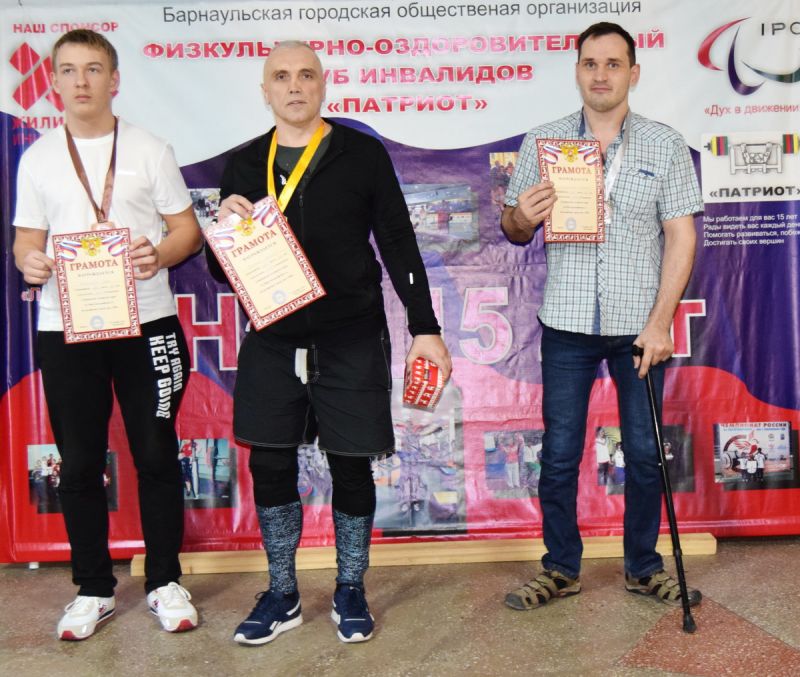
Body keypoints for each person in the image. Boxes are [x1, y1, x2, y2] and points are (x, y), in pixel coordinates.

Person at [210, 41, 451, 645]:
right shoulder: (244, 164)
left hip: (350, 334)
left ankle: (349, 586)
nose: (294, 86)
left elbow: (397, 241)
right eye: (281, 77)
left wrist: (425, 327)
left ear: (323, 85)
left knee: (350, 463)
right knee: (269, 462)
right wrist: (225, 230)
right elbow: (222, 271)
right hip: (272, 337)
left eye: (306, 75)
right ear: (265, 91)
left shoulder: (360, 153)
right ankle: (283, 592)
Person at [501, 22, 703, 611]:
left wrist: (661, 322)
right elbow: (513, 228)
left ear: (633, 73)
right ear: (577, 72)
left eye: (613, 64)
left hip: (639, 326)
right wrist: (523, 216)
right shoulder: (543, 142)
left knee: (643, 453)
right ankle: (561, 568)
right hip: (566, 325)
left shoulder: (665, 143)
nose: (601, 74)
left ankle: (643, 566)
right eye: (591, 63)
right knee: (560, 453)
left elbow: (681, 236)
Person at [13, 29, 202, 640]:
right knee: (79, 462)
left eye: (94, 68)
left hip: (148, 322)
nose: (82, 81)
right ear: (53, 82)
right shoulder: (38, 157)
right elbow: (26, 241)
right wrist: (29, 262)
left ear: (114, 79)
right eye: (69, 70)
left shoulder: (150, 148)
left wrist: (160, 253)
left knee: (156, 452)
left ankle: (165, 580)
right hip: (67, 327)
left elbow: (187, 231)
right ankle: (93, 588)